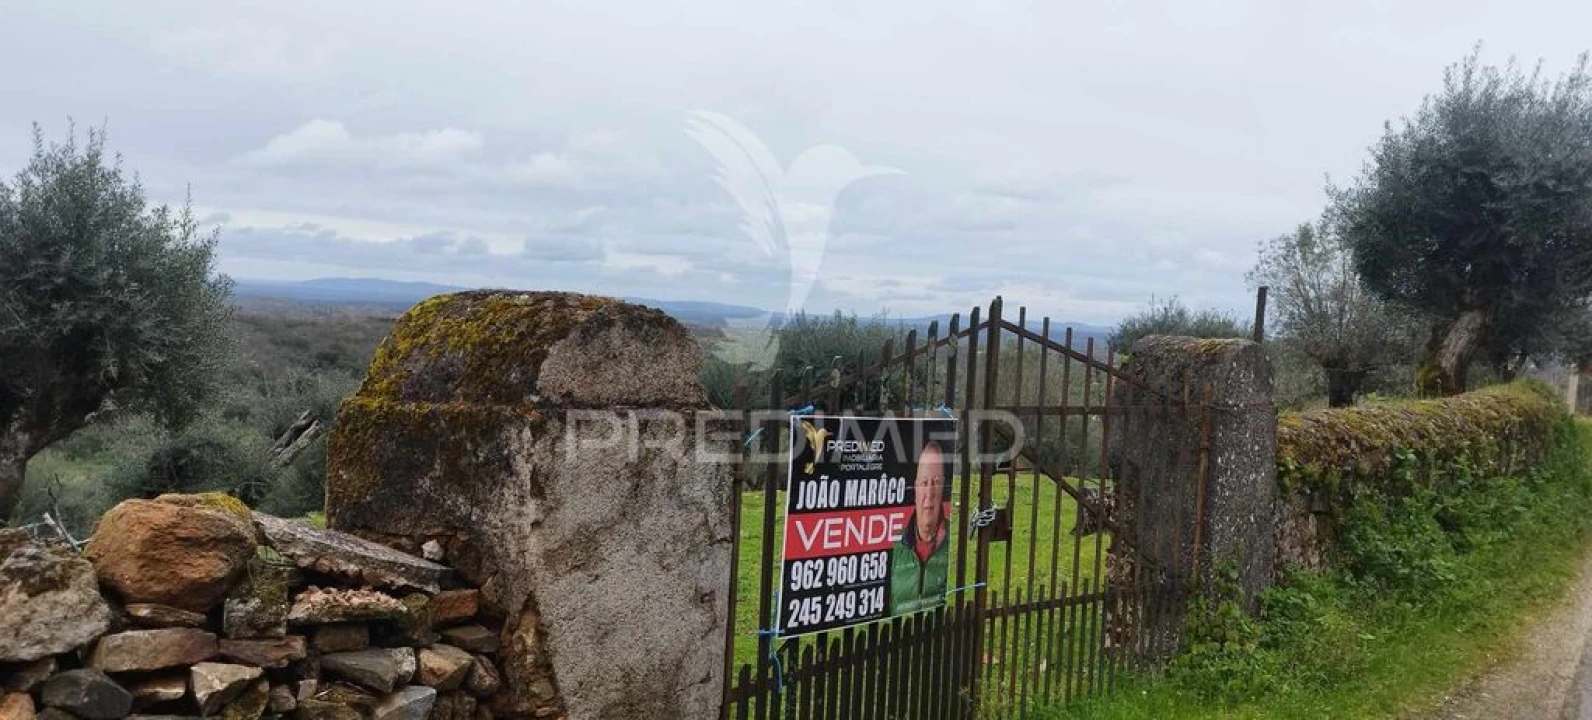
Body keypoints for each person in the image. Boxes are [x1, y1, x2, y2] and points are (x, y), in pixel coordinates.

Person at [890, 440, 951, 614]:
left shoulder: (954, 540)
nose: (930, 494)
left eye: (936, 482)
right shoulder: (895, 545)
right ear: (916, 489)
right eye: (924, 483)